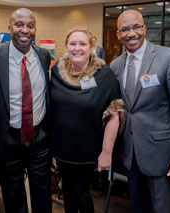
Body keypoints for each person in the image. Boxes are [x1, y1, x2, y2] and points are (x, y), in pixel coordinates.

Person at [110, 10, 170, 213]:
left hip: (163, 156)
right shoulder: (115, 65)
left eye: (136, 27)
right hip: (131, 155)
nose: (131, 33)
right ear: (118, 34)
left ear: (145, 28)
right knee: (140, 208)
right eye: (125, 29)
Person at [51, 27, 125, 213]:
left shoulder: (104, 75)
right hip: (62, 149)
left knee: (80, 192)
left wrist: (106, 153)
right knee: (68, 190)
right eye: (72, 43)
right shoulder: (57, 72)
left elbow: (113, 115)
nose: (77, 48)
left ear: (91, 47)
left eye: (82, 44)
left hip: (87, 150)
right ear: (66, 46)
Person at [0, 8, 52, 213]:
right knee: (13, 195)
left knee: (43, 193)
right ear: (9, 28)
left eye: (30, 26)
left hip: (39, 138)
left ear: (35, 29)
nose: (25, 30)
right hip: (9, 140)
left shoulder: (43, 55)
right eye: (19, 25)